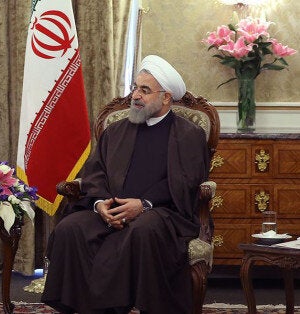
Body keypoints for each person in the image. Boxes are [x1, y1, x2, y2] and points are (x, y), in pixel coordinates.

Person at [41, 55, 210, 314]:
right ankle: (85, 307)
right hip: (111, 209)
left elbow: (186, 181)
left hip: (162, 213)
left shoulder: (188, 134)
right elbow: (95, 173)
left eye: (144, 90)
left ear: (166, 97)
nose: (135, 96)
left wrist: (143, 205)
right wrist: (100, 204)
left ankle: (125, 306)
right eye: (134, 88)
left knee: (142, 231)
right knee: (70, 228)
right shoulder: (116, 130)